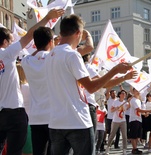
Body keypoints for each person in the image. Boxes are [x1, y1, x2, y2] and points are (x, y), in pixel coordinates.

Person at [44, 14, 135, 155]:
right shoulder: (72, 55)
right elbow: (91, 87)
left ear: (61, 32)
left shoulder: (49, 55)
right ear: (78, 34)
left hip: (56, 122)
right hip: (76, 120)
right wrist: (115, 70)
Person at [0, 9, 64, 155]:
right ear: (5, 42)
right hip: (14, 111)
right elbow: (30, 35)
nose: (12, 44)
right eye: (10, 41)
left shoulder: (21, 59)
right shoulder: (6, 53)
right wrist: (47, 17)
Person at [21, 27, 55, 155]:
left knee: (38, 152)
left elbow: (32, 55)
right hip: (53, 116)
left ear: (35, 44)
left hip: (35, 117)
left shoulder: (26, 61)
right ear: (51, 42)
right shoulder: (53, 58)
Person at [129, 88, 151, 154]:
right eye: (136, 91)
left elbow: (139, 111)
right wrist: (149, 111)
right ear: (133, 92)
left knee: (137, 136)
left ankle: (135, 148)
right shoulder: (133, 100)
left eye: (138, 91)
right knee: (133, 135)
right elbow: (138, 110)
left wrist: (144, 114)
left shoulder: (138, 100)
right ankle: (134, 149)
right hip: (134, 119)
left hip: (139, 119)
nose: (137, 92)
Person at [105, 90, 129, 155]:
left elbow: (126, 109)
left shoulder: (125, 102)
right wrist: (116, 108)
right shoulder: (115, 102)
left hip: (123, 120)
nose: (124, 95)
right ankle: (107, 148)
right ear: (120, 95)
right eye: (122, 94)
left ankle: (124, 149)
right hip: (115, 120)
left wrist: (128, 104)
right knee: (112, 134)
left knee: (124, 135)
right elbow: (111, 110)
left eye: (125, 94)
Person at [16, 63, 33, 155]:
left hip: (16, 121)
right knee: (28, 151)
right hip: (29, 121)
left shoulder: (15, 88)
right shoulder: (28, 87)